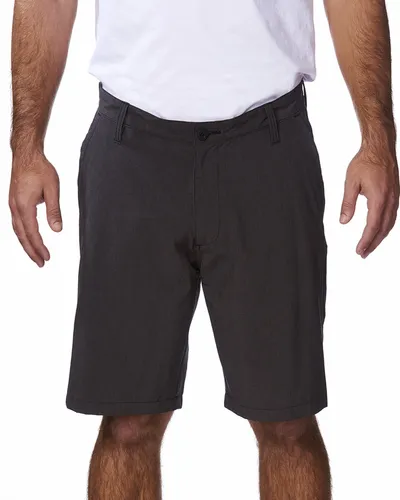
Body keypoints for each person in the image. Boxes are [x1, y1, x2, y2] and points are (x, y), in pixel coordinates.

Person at [8, 0, 399, 498]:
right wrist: (27, 147)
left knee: (287, 421)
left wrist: (377, 140)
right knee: (127, 421)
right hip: (131, 149)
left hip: (268, 147)